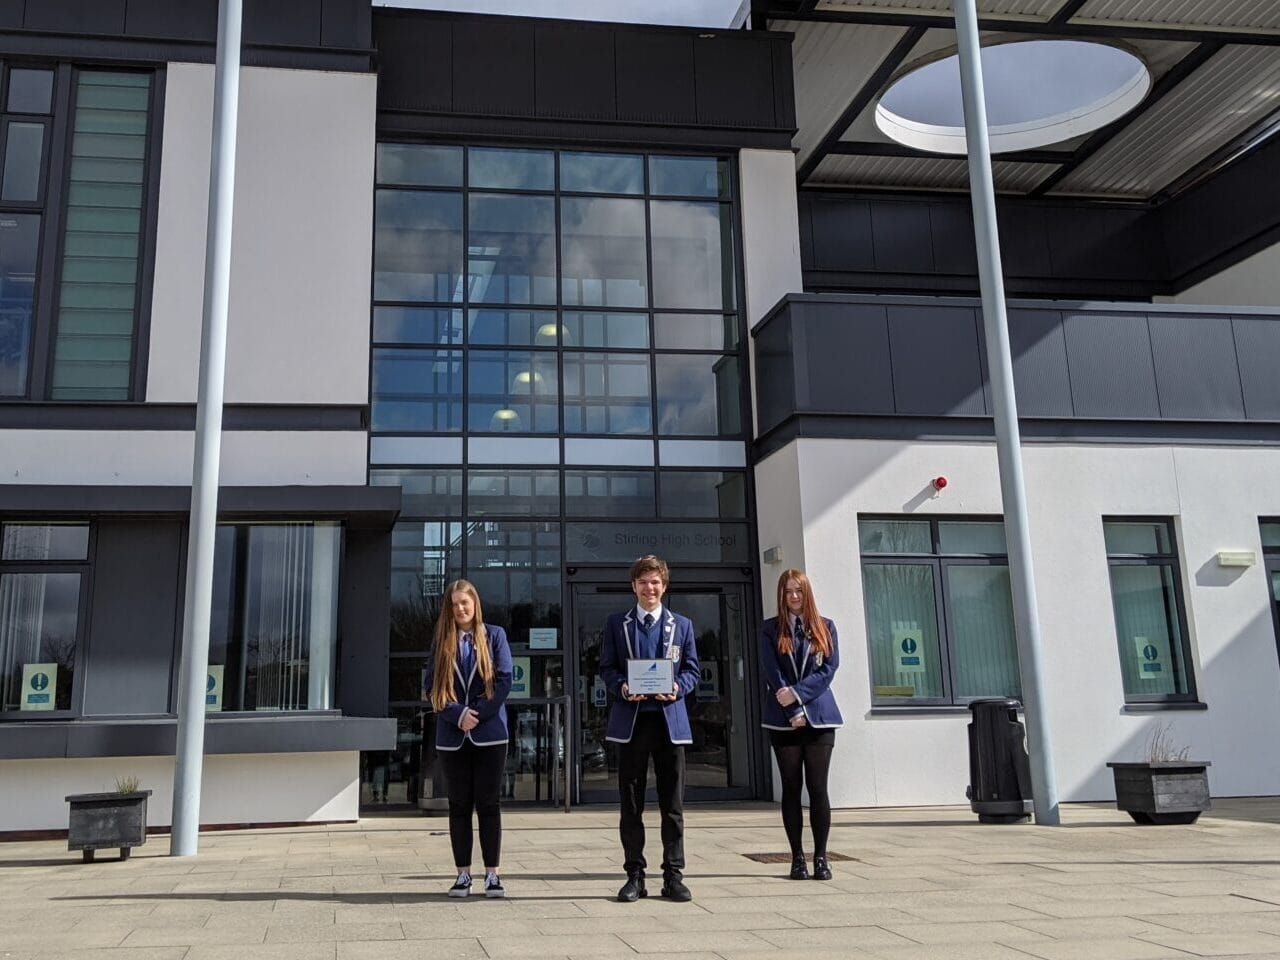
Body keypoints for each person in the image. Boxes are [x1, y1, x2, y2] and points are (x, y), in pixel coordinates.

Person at [599, 555, 700, 903]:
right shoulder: (617, 624)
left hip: (669, 722)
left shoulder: (682, 625)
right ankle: (635, 875)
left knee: (672, 805)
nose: (649, 588)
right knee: (631, 805)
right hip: (633, 722)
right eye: (643, 582)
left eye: (655, 582)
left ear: (664, 586)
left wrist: (678, 688)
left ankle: (673, 876)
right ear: (634, 586)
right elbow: (607, 668)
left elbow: (692, 670)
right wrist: (623, 687)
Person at [423, 579, 513, 898]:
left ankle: (492, 875)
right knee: (459, 805)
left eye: (465, 602)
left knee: (489, 804)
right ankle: (463, 875)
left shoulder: (495, 636)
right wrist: (457, 714)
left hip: (490, 735)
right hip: (453, 736)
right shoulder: (441, 642)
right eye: (454, 604)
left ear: (475, 604)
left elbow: (504, 680)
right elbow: (430, 687)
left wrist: (478, 713)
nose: (460, 608)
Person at [758, 569, 842, 881]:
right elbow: (772, 672)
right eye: (788, 591)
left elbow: (828, 670)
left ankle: (821, 857)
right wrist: (791, 708)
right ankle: (797, 858)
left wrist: (798, 696)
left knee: (818, 788)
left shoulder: (826, 627)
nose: (794, 596)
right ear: (781, 595)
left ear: (807, 594)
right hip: (783, 721)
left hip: (820, 718)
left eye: (798, 591)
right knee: (791, 789)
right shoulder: (770, 629)